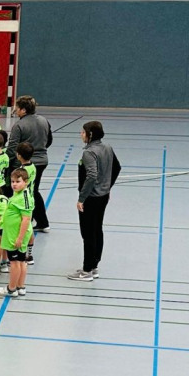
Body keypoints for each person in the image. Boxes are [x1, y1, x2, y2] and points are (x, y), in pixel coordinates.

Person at [71, 120, 120, 282]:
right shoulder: (107, 147)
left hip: (91, 198)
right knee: (97, 230)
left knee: (88, 233)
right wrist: (107, 187)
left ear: (90, 135)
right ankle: (93, 266)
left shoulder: (89, 153)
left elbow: (91, 176)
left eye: (83, 132)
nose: (81, 134)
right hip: (103, 196)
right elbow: (117, 167)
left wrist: (81, 198)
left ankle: (86, 271)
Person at [7, 96, 53, 232]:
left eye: (17, 108)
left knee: (18, 190)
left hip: (23, 164)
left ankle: (22, 220)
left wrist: (7, 162)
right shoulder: (44, 120)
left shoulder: (19, 125)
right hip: (42, 161)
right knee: (33, 190)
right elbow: (49, 140)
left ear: (23, 110)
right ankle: (41, 222)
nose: (15, 110)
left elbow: (12, 147)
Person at [0, 167, 35, 297]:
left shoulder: (24, 198)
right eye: (12, 181)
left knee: (15, 262)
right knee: (21, 260)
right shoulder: (18, 195)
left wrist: (19, 238)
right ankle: (20, 286)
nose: (14, 184)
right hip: (13, 233)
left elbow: (26, 219)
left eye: (18, 181)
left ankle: (11, 289)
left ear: (26, 182)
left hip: (16, 235)